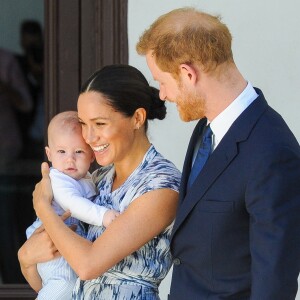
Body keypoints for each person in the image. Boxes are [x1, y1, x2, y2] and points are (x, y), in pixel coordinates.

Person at [136, 7, 300, 300]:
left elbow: (275, 281)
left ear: (188, 74)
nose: (162, 95)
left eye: (162, 81)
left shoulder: (272, 152)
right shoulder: (205, 128)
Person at [18, 64, 181, 299]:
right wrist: (26, 260)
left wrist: (43, 207)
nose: (89, 137)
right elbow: (55, 286)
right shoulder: (97, 179)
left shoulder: (161, 185)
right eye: (84, 123)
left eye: (100, 124)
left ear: (137, 118)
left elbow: (87, 265)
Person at [26, 110, 119, 299]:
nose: (70, 159)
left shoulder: (88, 178)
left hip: (67, 239)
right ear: (49, 154)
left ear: (91, 156)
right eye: (61, 151)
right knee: (63, 282)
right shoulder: (57, 178)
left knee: (69, 285)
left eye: (78, 152)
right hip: (49, 238)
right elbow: (74, 204)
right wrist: (104, 216)